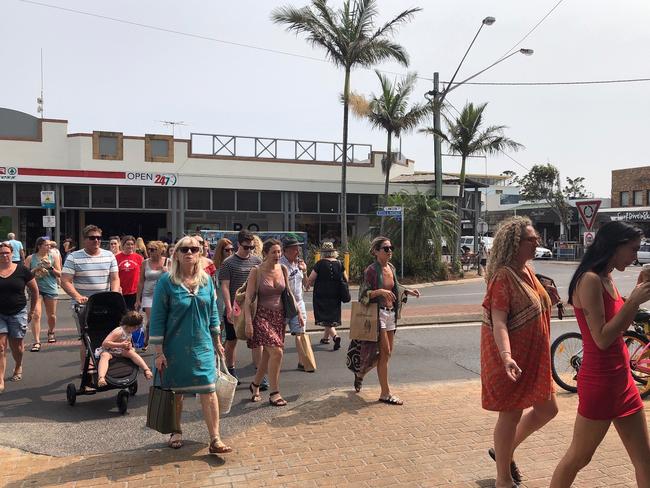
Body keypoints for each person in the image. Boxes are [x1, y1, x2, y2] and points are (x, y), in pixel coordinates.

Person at [551, 221, 650, 487]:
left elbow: (620, 326)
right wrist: (633, 302)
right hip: (600, 382)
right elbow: (603, 338)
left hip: (622, 379)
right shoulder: (590, 280)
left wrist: (634, 295)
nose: (635, 257)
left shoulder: (608, 278)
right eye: (632, 249)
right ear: (614, 247)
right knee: (579, 457)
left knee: (645, 462)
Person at [480, 217, 560, 488]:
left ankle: (503, 451)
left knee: (548, 409)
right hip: (512, 358)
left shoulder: (527, 271)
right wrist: (506, 356)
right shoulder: (503, 276)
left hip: (534, 358)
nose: (536, 241)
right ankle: (503, 478)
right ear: (515, 244)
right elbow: (499, 320)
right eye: (531, 238)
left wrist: (547, 296)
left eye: (536, 237)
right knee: (511, 414)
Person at [149, 235, 231, 454]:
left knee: (208, 388)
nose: (189, 253)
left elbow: (213, 312)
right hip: (174, 347)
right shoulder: (167, 282)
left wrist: (217, 341)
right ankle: (176, 431)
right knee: (177, 391)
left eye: (193, 249)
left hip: (202, 345)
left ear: (200, 254)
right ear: (176, 254)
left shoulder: (206, 281)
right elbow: (157, 317)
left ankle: (215, 438)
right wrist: (158, 352)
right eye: (184, 250)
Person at [351, 236, 419, 404]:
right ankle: (385, 393)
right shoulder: (371, 271)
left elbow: (395, 287)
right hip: (378, 314)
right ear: (375, 251)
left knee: (385, 356)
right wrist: (379, 291)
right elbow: (363, 295)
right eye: (386, 249)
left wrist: (408, 291)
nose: (390, 251)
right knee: (385, 352)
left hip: (391, 314)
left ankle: (361, 373)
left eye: (391, 248)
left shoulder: (392, 268)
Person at [246, 239, 303, 406]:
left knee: (268, 355)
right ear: (265, 254)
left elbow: (289, 292)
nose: (277, 255)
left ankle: (255, 385)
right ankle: (274, 392)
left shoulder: (283, 268)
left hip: (279, 317)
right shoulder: (256, 271)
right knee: (277, 352)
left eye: (279, 252)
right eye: (274, 252)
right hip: (261, 316)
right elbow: (249, 298)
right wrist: (249, 322)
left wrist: (298, 312)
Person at [61, 225, 120, 373]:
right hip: (84, 306)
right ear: (84, 239)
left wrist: (113, 295)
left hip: (105, 303)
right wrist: (77, 296)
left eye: (99, 238)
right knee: (87, 337)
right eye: (92, 238)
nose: (96, 240)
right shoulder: (74, 257)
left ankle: (106, 367)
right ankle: (87, 369)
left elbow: (114, 278)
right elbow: (65, 281)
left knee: (108, 335)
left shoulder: (109, 255)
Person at [218, 230, 262, 384]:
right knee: (232, 341)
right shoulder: (228, 263)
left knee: (257, 341)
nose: (249, 250)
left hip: (253, 308)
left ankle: (260, 375)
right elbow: (224, 286)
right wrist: (229, 308)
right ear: (238, 244)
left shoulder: (257, 261)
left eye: (251, 247)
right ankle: (231, 370)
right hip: (235, 308)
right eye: (246, 247)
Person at [0, 241, 38, 393]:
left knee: (18, 348)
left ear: (12, 254)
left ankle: (18, 365)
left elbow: (34, 291)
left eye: (6, 253)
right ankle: (0, 378)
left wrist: (32, 311)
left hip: (18, 311)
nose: (4, 255)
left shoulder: (22, 270)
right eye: (1, 253)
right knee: (1, 346)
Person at [96, 311, 153, 387]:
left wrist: (129, 346)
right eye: (135, 327)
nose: (136, 329)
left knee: (132, 353)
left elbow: (128, 342)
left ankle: (146, 369)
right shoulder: (118, 332)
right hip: (109, 350)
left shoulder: (129, 332)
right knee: (104, 356)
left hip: (120, 350)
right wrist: (121, 345)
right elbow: (105, 343)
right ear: (129, 325)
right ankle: (101, 377)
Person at [24, 237, 61, 350]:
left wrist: (50, 267)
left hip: (50, 288)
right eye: (46, 245)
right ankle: (37, 341)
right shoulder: (31, 258)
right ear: (39, 246)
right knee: (36, 315)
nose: (49, 247)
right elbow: (24, 274)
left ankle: (51, 331)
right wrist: (36, 269)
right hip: (36, 289)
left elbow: (59, 273)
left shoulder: (53, 257)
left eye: (50, 245)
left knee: (52, 315)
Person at [279, 237, 310, 371]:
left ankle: (302, 361)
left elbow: (306, 285)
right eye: (293, 248)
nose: (297, 250)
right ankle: (273, 360)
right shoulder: (280, 264)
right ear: (285, 250)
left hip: (299, 301)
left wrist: (304, 270)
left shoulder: (299, 263)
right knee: (278, 335)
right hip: (283, 304)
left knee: (300, 332)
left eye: (298, 247)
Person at [307, 241, 345, 350]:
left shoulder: (320, 264)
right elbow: (345, 278)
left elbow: (311, 278)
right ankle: (325, 338)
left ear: (323, 253)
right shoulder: (339, 263)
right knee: (331, 317)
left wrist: (308, 285)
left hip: (322, 294)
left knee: (325, 317)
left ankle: (335, 336)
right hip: (336, 294)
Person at [135, 240, 169, 351]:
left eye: (153, 250)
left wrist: (168, 272)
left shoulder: (168, 262)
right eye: (149, 249)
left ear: (160, 251)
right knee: (152, 319)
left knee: (161, 319)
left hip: (163, 295)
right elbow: (140, 281)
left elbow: (174, 279)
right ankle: (148, 338)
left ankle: (157, 338)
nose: (150, 252)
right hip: (148, 294)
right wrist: (138, 299)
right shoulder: (145, 263)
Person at [115, 236, 144, 311]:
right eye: (128, 244)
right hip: (121, 291)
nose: (130, 246)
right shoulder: (116, 258)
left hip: (135, 292)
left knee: (134, 316)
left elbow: (142, 275)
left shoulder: (139, 258)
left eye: (132, 244)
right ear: (123, 245)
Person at [213, 238, 235, 332]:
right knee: (219, 328)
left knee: (231, 333)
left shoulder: (233, 264)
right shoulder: (214, 266)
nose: (230, 252)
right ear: (220, 251)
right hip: (219, 301)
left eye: (231, 249)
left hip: (232, 300)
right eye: (227, 250)